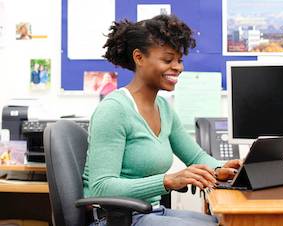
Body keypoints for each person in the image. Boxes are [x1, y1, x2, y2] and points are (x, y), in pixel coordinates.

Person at [82, 14, 241, 226]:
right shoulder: (114, 110)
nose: (178, 67)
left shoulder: (164, 109)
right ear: (139, 58)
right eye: (168, 60)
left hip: (152, 212)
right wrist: (168, 181)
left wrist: (222, 169)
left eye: (179, 60)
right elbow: (101, 187)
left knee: (225, 222)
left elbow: (195, 156)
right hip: (116, 219)